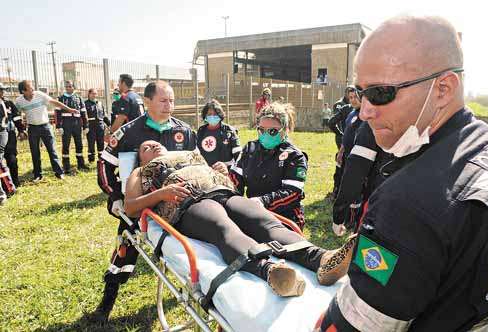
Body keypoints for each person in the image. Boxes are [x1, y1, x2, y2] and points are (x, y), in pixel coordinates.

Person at [317, 15, 488, 332]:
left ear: (443, 89)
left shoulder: (407, 202)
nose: (364, 111)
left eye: (381, 93)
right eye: (360, 93)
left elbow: (354, 325)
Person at [124, 140, 356, 298]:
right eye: (146, 147)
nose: (152, 144)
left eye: (155, 143)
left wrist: (222, 174)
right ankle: (271, 272)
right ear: (141, 159)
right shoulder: (140, 172)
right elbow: (130, 208)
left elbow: (229, 181)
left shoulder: (190, 154)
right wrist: (162, 194)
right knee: (224, 228)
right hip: (189, 203)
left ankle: (322, 259)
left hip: (224, 192)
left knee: (265, 223)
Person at [93, 80, 196, 323]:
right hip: (137, 207)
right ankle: (106, 303)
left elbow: (195, 166)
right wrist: (116, 197)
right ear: (147, 102)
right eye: (163, 100)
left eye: (171, 100)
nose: (168, 105)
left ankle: (191, 296)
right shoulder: (128, 132)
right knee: (124, 250)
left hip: (176, 205)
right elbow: (104, 165)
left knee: (188, 251)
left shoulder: (186, 131)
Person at [229, 102, 308, 230]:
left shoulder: (295, 156)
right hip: (254, 213)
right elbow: (235, 181)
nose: (265, 135)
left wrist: (263, 201)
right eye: (261, 130)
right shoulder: (250, 149)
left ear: (285, 130)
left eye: (272, 131)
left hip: (285, 217)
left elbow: (293, 193)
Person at [331, 122, 391, 236]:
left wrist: (338, 215)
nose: (363, 114)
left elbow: (355, 172)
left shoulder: (376, 121)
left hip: (379, 206)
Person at [14, 80, 73, 181]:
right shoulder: (19, 101)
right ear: (24, 91)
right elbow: (17, 113)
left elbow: (54, 102)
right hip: (32, 129)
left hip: (46, 127)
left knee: (52, 150)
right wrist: (21, 129)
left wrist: (69, 109)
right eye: (30, 87)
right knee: (35, 152)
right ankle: (38, 175)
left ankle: (59, 173)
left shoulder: (40, 95)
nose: (33, 88)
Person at [331, 91, 362, 201]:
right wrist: (341, 151)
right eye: (351, 97)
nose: (353, 100)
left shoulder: (365, 115)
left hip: (358, 156)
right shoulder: (351, 113)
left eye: (355, 97)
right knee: (341, 176)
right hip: (346, 154)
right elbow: (347, 134)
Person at [55, 80, 89, 172]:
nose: (68, 88)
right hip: (66, 124)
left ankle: (81, 164)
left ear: (73, 87)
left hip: (77, 124)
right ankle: (66, 166)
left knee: (79, 144)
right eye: (66, 87)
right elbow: (57, 113)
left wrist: (86, 126)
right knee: (65, 145)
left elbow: (83, 112)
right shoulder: (61, 98)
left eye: (70, 86)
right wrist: (59, 126)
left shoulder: (79, 98)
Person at [196, 99, 241, 167]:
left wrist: (230, 170)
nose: (212, 116)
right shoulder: (201, 131)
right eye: (209, 114)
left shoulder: (230, 131)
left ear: (220, 115)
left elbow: (239, 156)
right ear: (205, 116)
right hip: (206, 172)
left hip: (226, 172)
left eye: (215, 114)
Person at [0, 83, 26, 189]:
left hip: (10, 135)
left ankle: (15, 181)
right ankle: (4, 185)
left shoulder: (9, 103)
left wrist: (21, 130)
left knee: (12, 160)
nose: (2, 92)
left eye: (3, 90)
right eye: (0, 90)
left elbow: (16, 117)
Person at [85, 88, 110, 163]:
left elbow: (104, 115)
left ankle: (101, 159)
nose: (94, 95)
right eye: (93, 93)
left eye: (95, 93)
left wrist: (109, 124)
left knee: (101, 142)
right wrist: (84, 126)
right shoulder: (85, 104)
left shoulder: (99, 103)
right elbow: (83, 116)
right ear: (89, 94)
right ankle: (91, 160)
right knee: (91, 143)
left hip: (100, 125)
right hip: (91, 126)